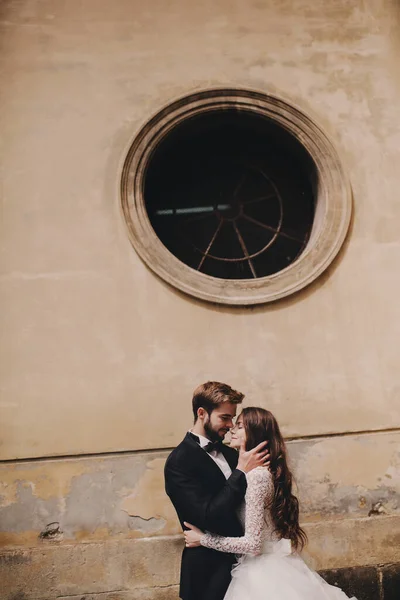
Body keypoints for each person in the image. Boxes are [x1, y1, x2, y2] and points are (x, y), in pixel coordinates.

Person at [184, 407, 357, 600]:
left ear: (255, 433)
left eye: (239, 426)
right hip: (265, 564)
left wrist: (203, 539)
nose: (232, 429)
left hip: (263, 573)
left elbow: (253, 543)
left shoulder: (257, 477)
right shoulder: (253, 472)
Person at [164, 383, 270, 600]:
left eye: (233, 419)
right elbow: (208, 516)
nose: (230, 426)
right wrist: (240, 472)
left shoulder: (231, 454)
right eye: (224, 418)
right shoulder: (179, 462)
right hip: (207, 574)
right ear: (201, 413)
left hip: (246, 569)